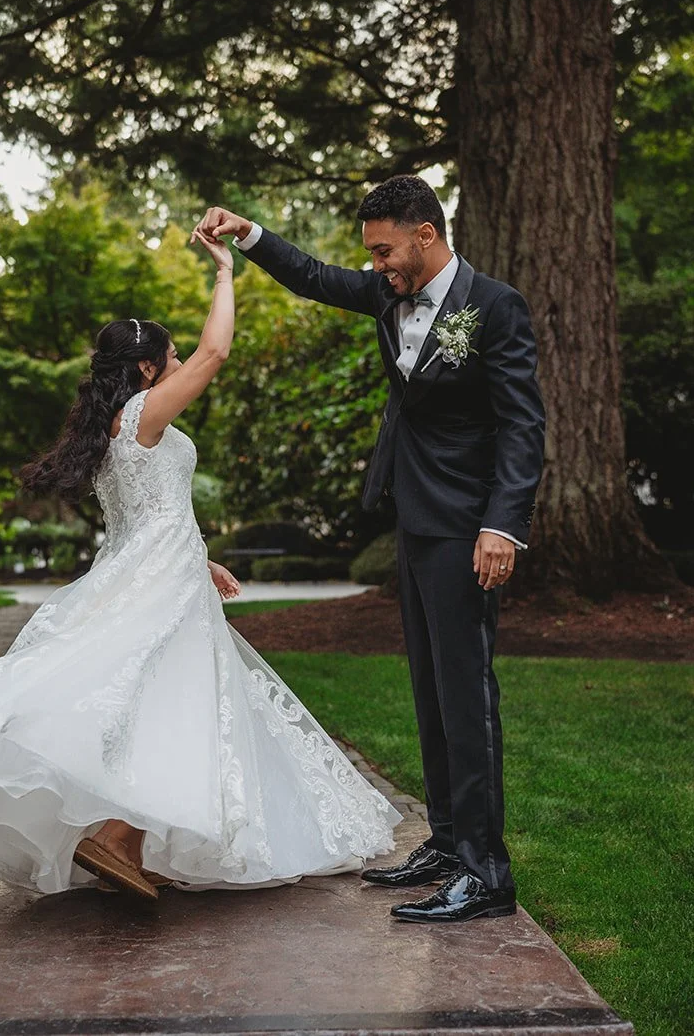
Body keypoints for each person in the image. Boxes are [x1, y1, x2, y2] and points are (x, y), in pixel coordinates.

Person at [0, 227, 400, 900]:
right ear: (147, 368)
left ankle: (133, 842)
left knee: (164, 703)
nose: (183, 360)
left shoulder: (120, 424)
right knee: (175, 702)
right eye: (170, 354)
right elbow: (219, 349)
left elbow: (146, 514)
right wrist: (225, 274)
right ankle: (118, 835)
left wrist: (201, 561)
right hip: (159, 582)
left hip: (158, 570)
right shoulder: (145, 413)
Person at [195, 175, 546, 922]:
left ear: (427, 233)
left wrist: (502, 523)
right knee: (430, 693)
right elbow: (316, 279)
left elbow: (523, 425)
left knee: (468, 697)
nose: (378, 265)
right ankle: (449, 843)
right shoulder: (389, 293)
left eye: (385, 250)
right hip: (414, 519)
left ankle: (488, 873)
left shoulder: (495, 306)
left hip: (468, 528)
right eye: (372, 255)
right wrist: (249, 234)